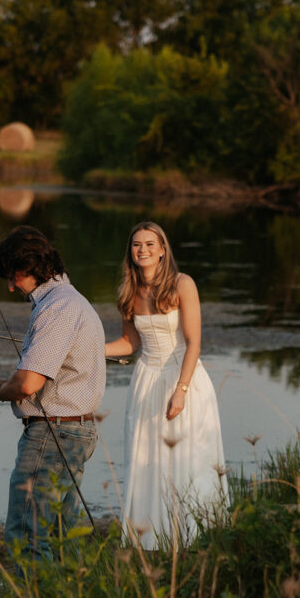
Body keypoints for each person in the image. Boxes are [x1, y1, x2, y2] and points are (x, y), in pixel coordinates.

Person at [0, 225, 105, 560]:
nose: (10, 287)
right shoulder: (70, 301)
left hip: (53, 434)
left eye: (13, 277)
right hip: (69, 431)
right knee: (58, 535)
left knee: (27, 534)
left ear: (31, 268)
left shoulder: (59, 307)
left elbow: (27, 384)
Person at [105, 221, 228, 548]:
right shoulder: (129, 292)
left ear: (162, 250)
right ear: (130, 252)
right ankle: (153, 539)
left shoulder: (182, 284)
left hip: (183, 377)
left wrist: (181, 391)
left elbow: (193, 343)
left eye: (149, 244)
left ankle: (195, 538)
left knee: (189, 459)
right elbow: (129, 344)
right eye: (136, 245)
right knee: (147, 459)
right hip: (146, 380)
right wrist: (90, 350)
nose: (142, 250)